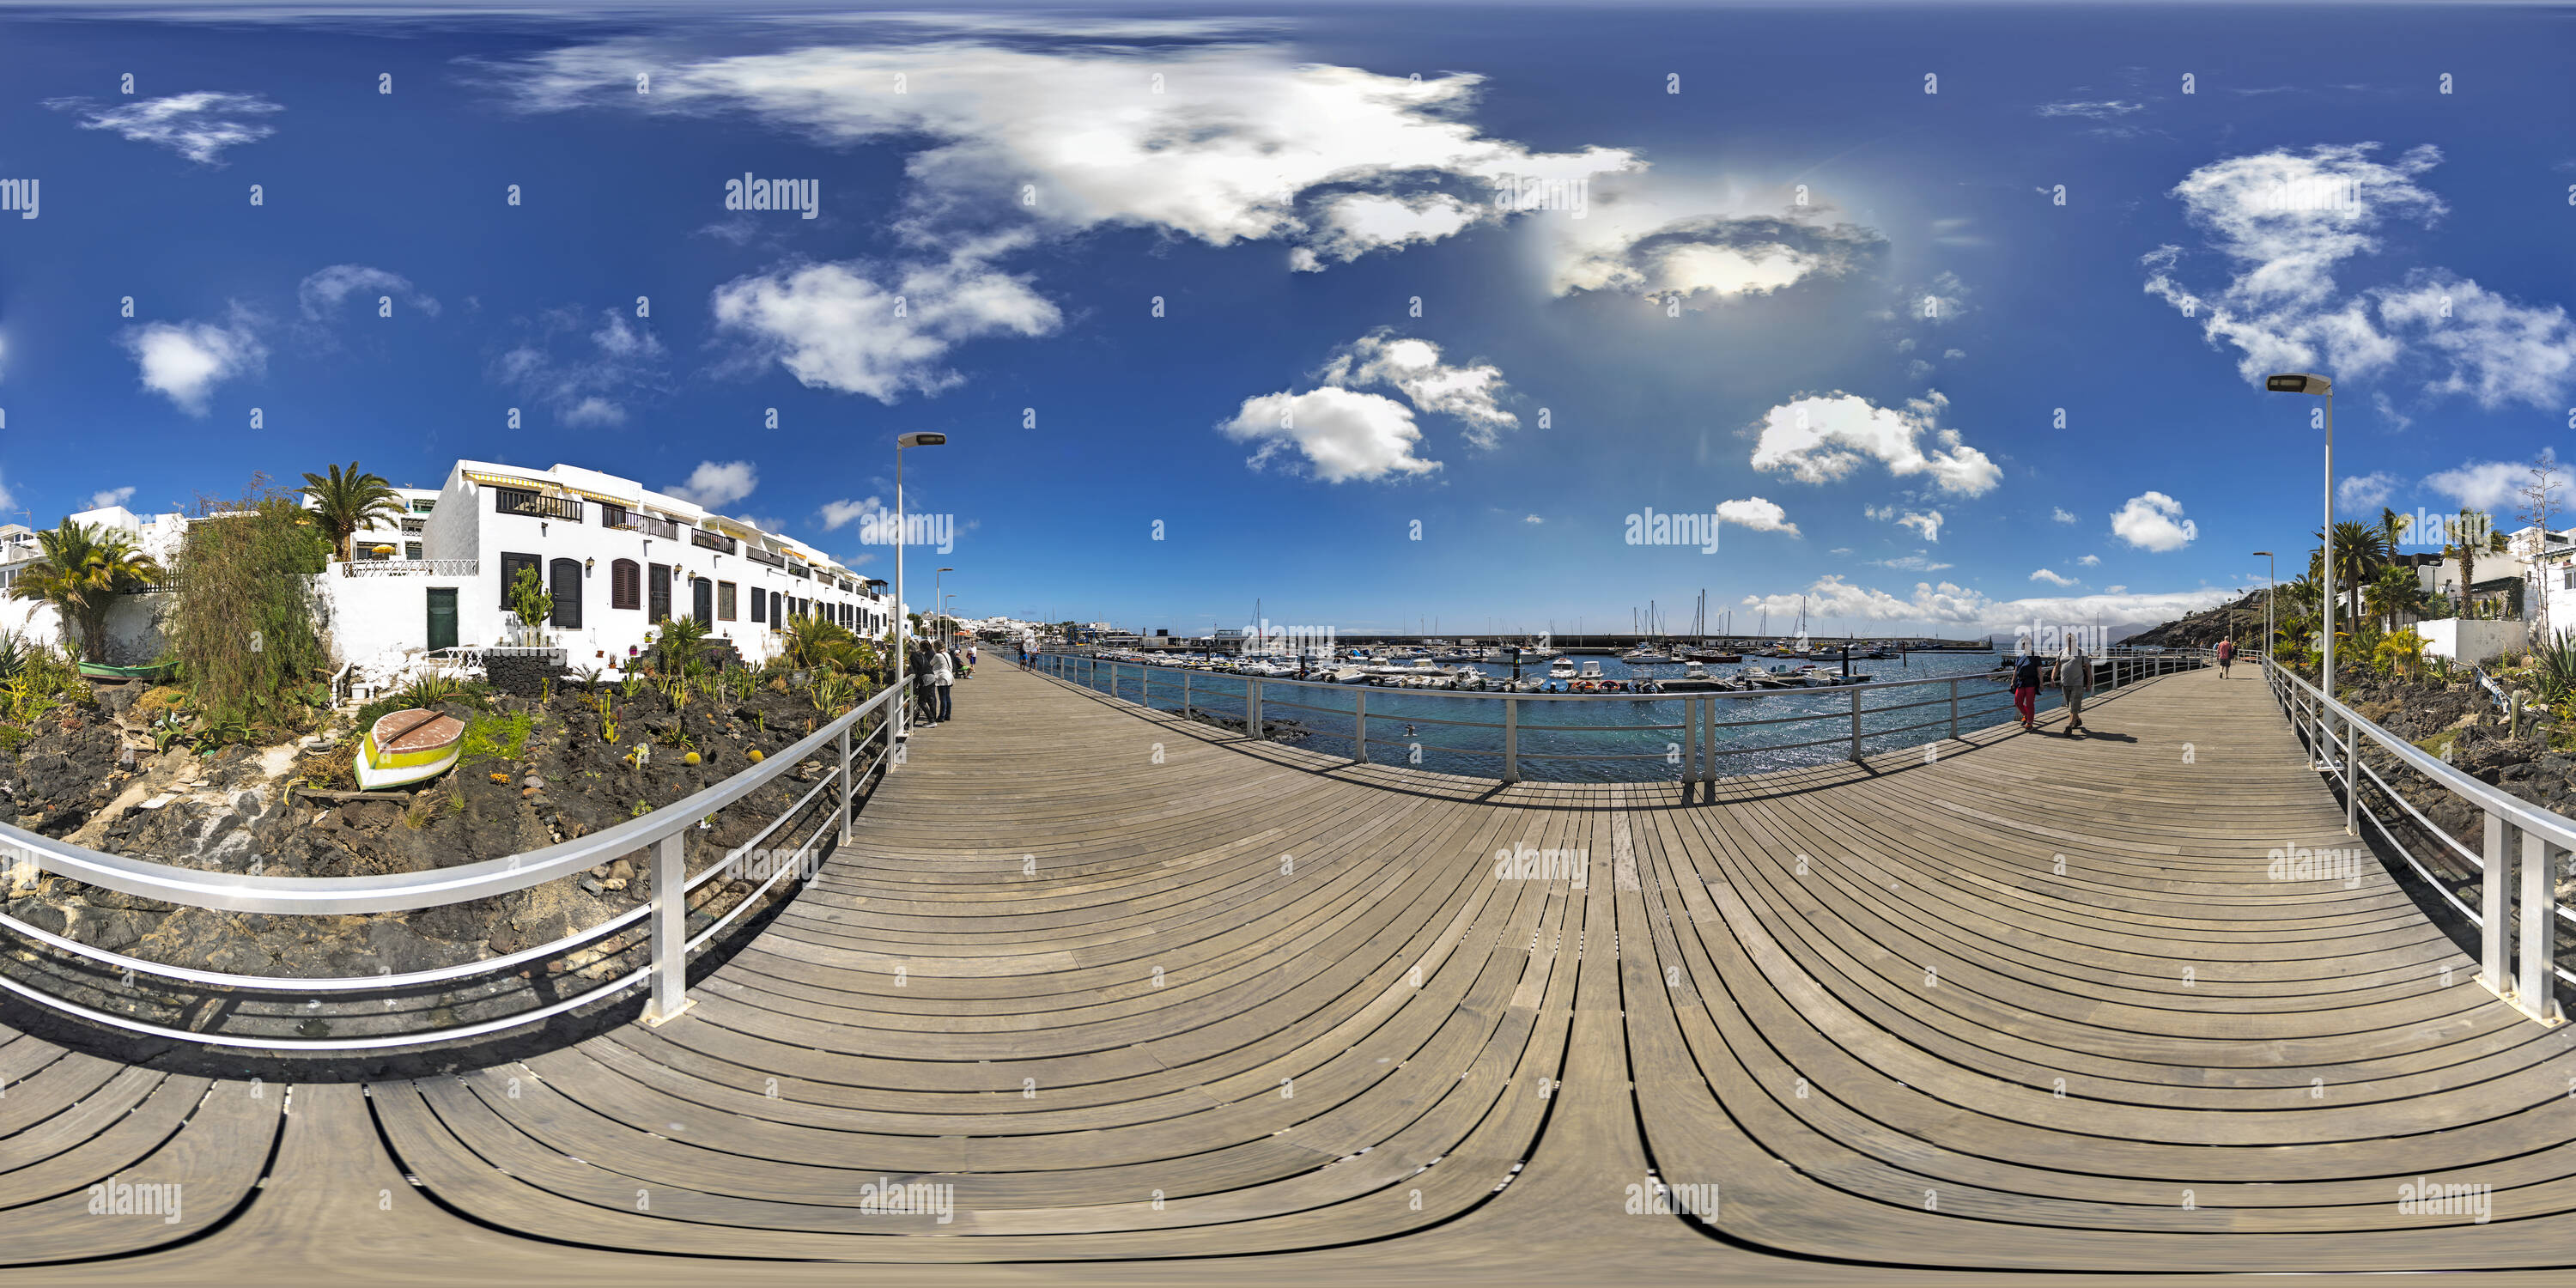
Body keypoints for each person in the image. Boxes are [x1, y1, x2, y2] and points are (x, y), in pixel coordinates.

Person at [2057, 643, 2093, 735]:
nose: (2070, 642)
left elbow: (2088, 669)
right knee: (2071, 706)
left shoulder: (2081, 652)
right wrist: (2053, 678)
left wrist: (2089, 683)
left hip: (2078, 683)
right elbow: (2057, 666)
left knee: (2073, 705)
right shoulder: (2062, 652)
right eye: (2069, 640)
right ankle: (2077, 720)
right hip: (2065, 683)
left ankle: (2069, 726)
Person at [2010, 646, 2044, 730]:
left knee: (2029, 704)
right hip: (2021, 682)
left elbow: (2039, 671)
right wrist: (2012, 681)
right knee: (2017, 701)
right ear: (2022, 646)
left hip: (2031, 682)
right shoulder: (2020, 656)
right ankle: (2026, 715)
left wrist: (2041, 683)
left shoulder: (2035, 656)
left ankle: (2029, 722)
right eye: (2024, 644)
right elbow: (2016, 670)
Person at [930, 646, 956, 724]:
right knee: (947, 696)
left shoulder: (937, 655)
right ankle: (948, 715)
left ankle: (941, 716)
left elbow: (930, 663)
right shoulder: (947, 654)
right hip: (948, 676)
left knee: (942, 698)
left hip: (942, 677)